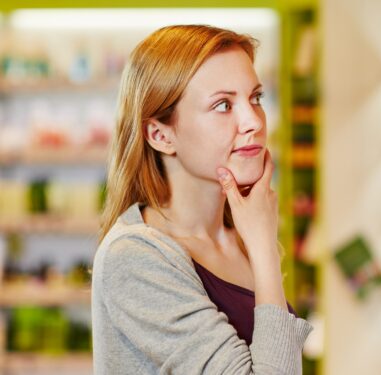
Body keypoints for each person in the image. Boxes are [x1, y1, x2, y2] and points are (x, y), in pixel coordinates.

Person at [92, 25, 311, 374]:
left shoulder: (240, 232)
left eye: (256, 98)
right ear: (160, 135)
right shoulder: (134, 258)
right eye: (223, 105)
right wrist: (265, 249)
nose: (253, 121)